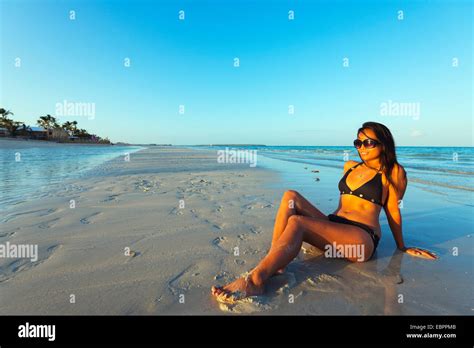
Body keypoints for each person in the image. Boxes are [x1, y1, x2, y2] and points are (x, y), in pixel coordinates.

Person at [211, 121, 437, 303]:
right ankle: (277, 261)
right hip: (333, 225)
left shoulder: (394, 172)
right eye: (358, 143)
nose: (361, 148)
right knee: (290, 196)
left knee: (298, 222)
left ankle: (257, 280)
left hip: (361, 238)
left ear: (384, 144)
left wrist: (402, 246)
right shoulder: (350, 166)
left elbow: (393, 212)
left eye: (368, 143)